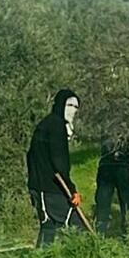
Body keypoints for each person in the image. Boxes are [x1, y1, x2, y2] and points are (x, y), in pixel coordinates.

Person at [26, 89, 84, 247]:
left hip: (43, 187)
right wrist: (73, 191)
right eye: (70, 105)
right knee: (76, 226)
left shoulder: (47, 124)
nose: (73, 110)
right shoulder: (55, 127)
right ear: (60, 105)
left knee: (49, 227)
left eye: (76, 107)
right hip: (50, 188)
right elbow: (59, 163)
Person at [94, 133, 129, 236]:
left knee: (103, 200)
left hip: (107, 165)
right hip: (121, 166)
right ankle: (128, 231)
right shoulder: (128, 126)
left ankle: (100, 231)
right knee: (125, 201)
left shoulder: (106, 123)